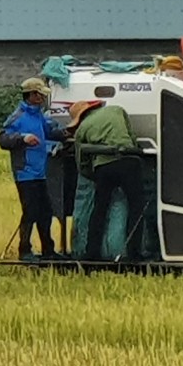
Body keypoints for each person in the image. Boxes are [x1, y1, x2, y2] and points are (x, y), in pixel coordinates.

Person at [69, 100, 147, 261]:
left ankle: (92, 252)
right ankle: (133, 252)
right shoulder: (116, 110)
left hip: (103, 168)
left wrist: (91, 174)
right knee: (136, 207)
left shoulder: (82, 129)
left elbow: (81, 160)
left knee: (99, 210)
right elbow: (132, 137)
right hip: (128, 162)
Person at [0, 77, 66, 261]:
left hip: (41, 172)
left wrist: (69, 132)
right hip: (25, 173)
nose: (43, 98)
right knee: (30, 212)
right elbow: (3, 139)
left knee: (45, 211)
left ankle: (48, 250)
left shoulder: (39, 115)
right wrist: (23, 138)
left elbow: (51, 132)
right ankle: (25, 251)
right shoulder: (18, 117)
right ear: (32, 95)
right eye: (40, 95)